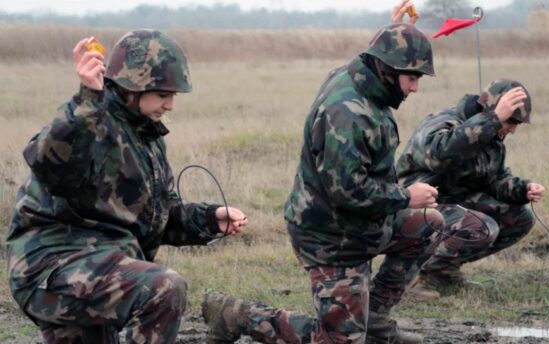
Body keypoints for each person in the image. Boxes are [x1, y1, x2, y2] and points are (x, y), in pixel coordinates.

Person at [200, 2, 444, 343]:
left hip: (362, 224)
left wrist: (394, 32)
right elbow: (347, 192)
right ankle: (236, 313)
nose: (415, 88)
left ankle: (373, 320)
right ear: (388, 70)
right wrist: (406, 196)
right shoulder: (347, 112)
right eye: (412, 78)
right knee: (340, 341)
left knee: (429, 224)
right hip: (329, 236)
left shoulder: (363, 77)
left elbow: (371, 57)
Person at [6, 29, 248, 343]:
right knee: (163, 288)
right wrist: (87, 99)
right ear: (134, 87)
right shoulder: (90, 120)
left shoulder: (144, 136)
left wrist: (209, 218)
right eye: (163, 94)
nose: (171, 105)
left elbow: (153, 216)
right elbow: (49, 164)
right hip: (53, 268)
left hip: (99, 269)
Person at [395, 79, 545, 299]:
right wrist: (491, 122)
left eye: (517, 124)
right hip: (415, 205)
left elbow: (494, 179)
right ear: (490, 112)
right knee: (482, 227)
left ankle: (442, 272)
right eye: (510, 121)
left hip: (454, 205)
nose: (512, 129)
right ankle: (414, 276)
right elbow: (439, 156)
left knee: (520, 217)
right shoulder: (444, 123)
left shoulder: (492, 135)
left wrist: (523, 189)